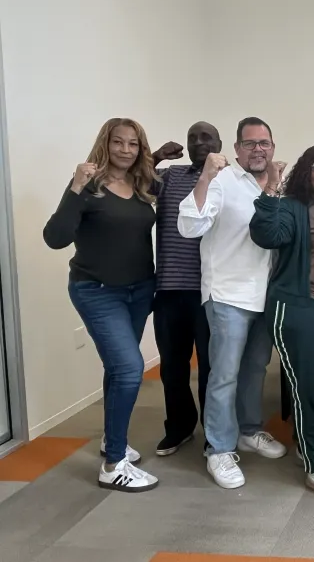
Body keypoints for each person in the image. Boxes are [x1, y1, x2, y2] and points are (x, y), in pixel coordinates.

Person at [43, 118, 161, 493]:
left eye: (133, 144)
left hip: (139, 290)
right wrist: (75, 186)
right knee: (130, 368)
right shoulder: (88, 186)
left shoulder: (142, 185)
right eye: (118, 143)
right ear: (104, 144)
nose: (125, 150)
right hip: (97, 290)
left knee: (116, 369)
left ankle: (114, 441)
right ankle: (113, 465)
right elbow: (55, 237)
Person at [177, 117, 287, 490]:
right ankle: (219, 449)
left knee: (256, 370)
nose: (259, 149)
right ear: (237, 149)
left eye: (265, 143)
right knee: (223, 375)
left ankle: (248, 431)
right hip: (227, 294)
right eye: (250, 143)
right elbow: (189, 227)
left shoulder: (276, 186)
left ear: (272, 148)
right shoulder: (222, 181)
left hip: (264, 296)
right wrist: (205, 177)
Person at [249, 144, 314, 502]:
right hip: (299, 307)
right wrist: (270, 187)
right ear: (305, 173)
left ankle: (308, 443)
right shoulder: (292, 207)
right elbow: (266, 234)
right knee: (311, 388)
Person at [150, 122, 222, 456]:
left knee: (210, 366)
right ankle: (179, 427)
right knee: (172, 367)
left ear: (219, 144)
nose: (198, 142)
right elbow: (132, 184)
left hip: (209, 291)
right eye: (192, 138)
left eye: (205, 137)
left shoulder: (228, 180)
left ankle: (215, 434)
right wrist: (154, 158)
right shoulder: (171, 177)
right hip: (168, 289)